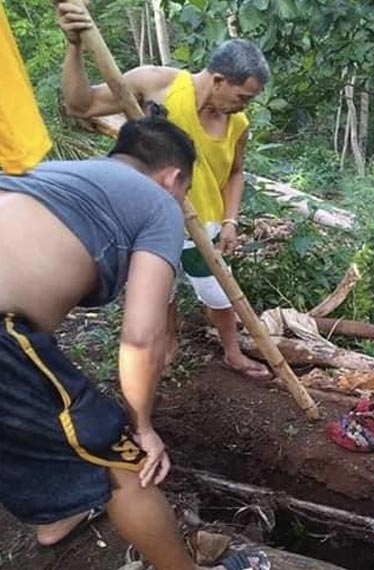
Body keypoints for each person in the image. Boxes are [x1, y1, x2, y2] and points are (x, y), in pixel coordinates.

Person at [0, 117, 267, 570]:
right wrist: (141, 426)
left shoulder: (56, 175)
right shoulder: (158, 203)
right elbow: (141, 336)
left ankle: (56, 516)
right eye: (184, 194)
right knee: (125, 466)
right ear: (174, 178)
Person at [57, 1, 272, 380]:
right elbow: (81, 104)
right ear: (220, 79)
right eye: (242, 97)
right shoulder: (157, 84)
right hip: (150, 221)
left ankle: (233, 351)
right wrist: (73, 47)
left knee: (220, 294)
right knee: (162, 291)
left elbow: (237, 172)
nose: (242, 108)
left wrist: (230, 220)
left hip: (203, 226)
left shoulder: (238, 124)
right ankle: (169, 342)